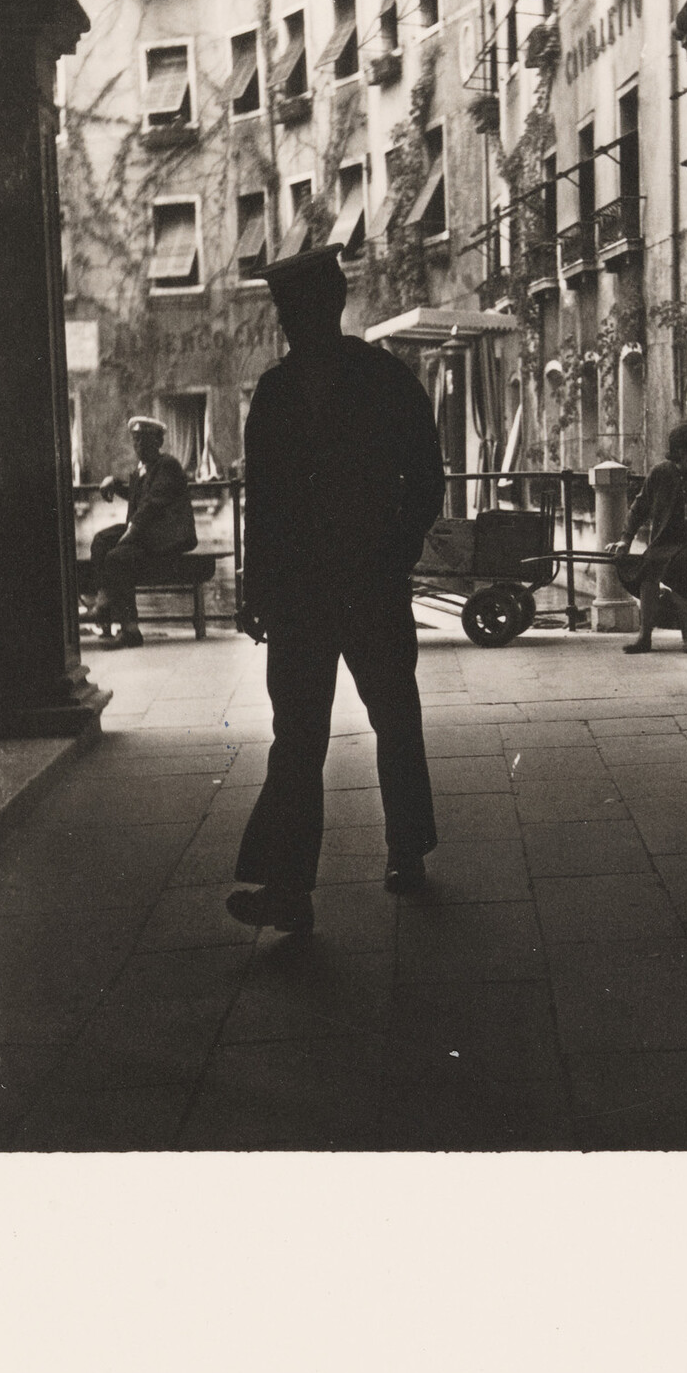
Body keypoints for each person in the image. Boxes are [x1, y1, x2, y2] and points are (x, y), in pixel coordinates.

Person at [226, 246, 447, 935]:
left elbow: (426, 473)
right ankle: (289, 890)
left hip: (362, 582)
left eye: (303, 306)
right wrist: (256, 586)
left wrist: (396, 550)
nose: (294, 319)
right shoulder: (289, 389)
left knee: (388, 716)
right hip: (301, 592)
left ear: (333, 303)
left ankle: (404, 849)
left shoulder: (377, 379)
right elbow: (260, 502)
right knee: (299, 736)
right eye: (287, 309)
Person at [609, 420, 687, 654]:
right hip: (666, 543)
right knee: (650, 565)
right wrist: (625, 540)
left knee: (684, 565)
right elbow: (639, 508)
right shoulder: (660, 473)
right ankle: (645, 636)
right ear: (682, 452)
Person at [86, 415, 198, 649]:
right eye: (136, 441)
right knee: (101, 540)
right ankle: (103, 599)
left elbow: (152, 504)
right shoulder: (141, 471)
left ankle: (130, 630)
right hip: (149, 534)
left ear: (158, 443)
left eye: (145, 441)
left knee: (118, 557)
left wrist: (130, 533)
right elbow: (138, 495)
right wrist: (114, 483)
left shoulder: (167, 465)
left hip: (168, 536)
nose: (139, 446)